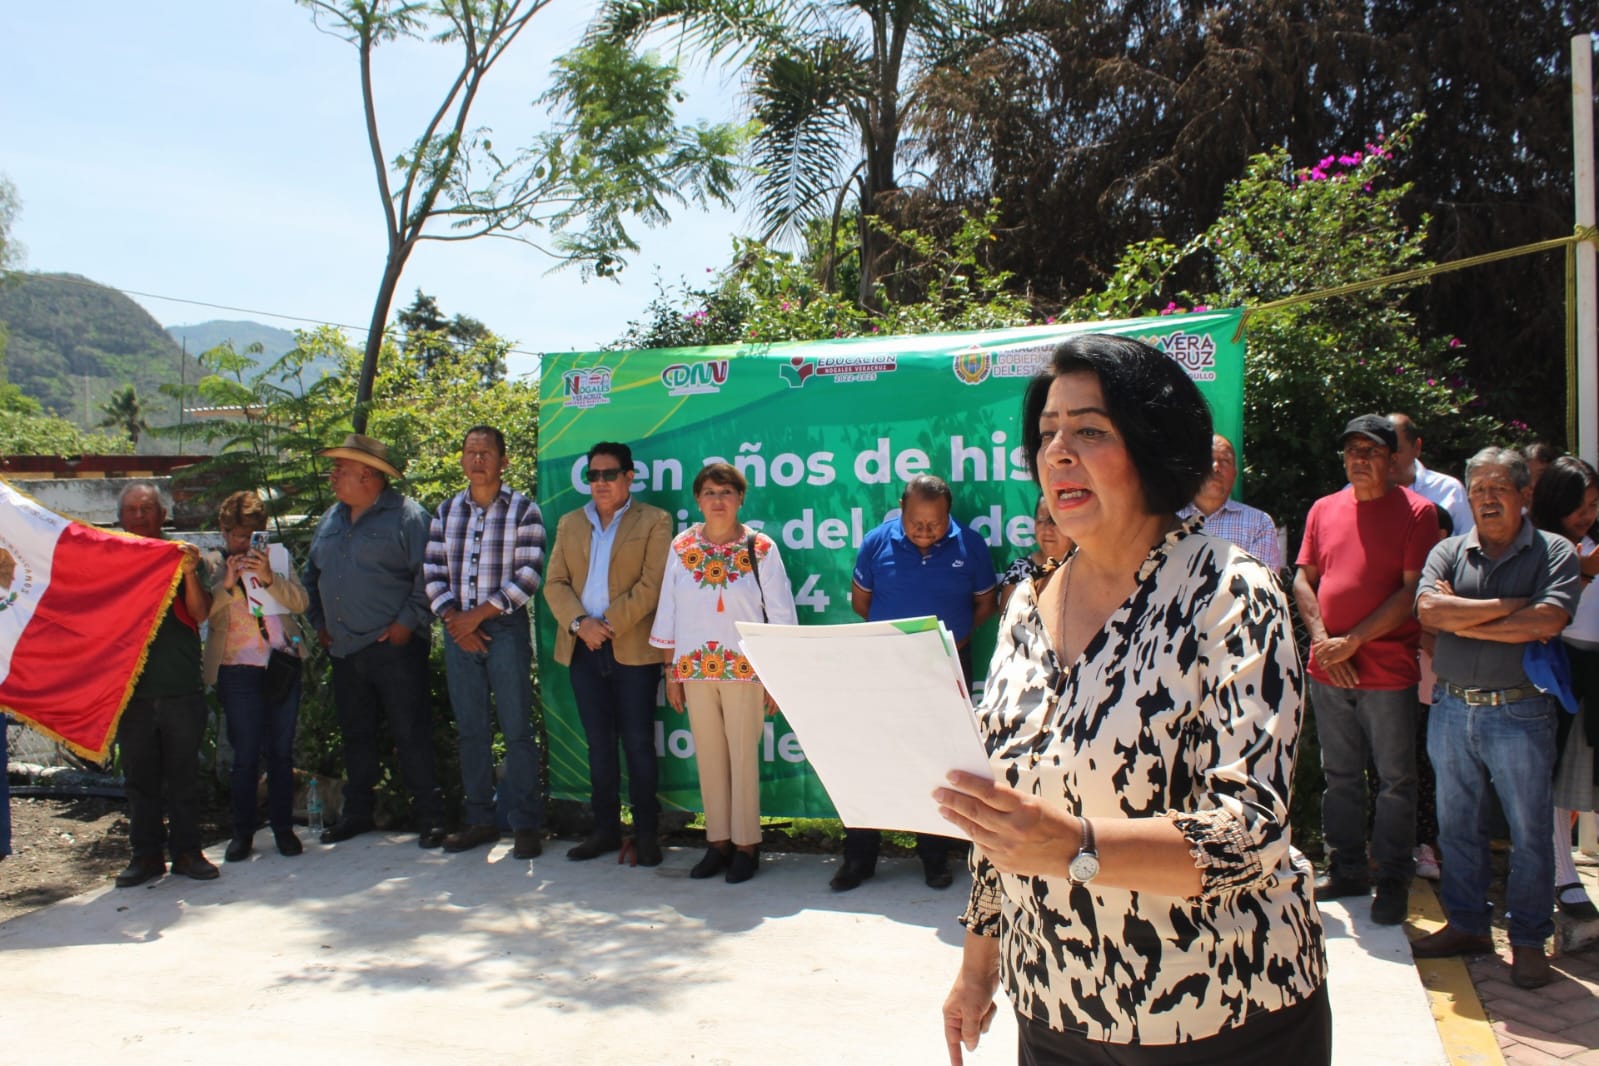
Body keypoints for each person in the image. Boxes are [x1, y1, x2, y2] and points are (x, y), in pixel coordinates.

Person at [937, 333, 1328, 1065]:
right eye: (1047, 433)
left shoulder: (1230, 592)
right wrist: (977, 968)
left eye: (1089, 431)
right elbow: (1003, 822)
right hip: (1053, 1004)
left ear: (1152, 445)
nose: (1057, 452)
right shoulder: (1024, 607)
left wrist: (1075, 847)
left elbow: (1250, 832)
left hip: (1219, 1007)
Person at [1413, 447, 1581, 990]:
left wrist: (1463, 619)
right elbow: (1428, 611)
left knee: (1530, 833)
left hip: (1521, 709)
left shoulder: (1554, 551)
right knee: (1457, 827)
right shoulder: (1448, 551)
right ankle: (1467, 925)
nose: (1486, 499)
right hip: (1451, 707)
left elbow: (1548, 619)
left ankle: (1528, 940)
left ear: (1524, 494)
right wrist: (1511, 607)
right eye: (1478, 489)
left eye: (1499, 488)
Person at [1292, 414, 1439, 925]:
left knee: (1395, 779)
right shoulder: (1323, 508)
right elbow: (1303, 579)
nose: (1359, 459)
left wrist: (1353, 641)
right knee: (1340, 774)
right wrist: (1323, 641)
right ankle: (1348, 868)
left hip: (1387, 668)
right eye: (1352, 450)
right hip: (1329, 666)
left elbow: (1412, 591)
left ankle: (1393, 878)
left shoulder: (1418, 512)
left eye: (1371, 451)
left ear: (1393, 459)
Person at [837, 474, 999, 891]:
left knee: (939, 760)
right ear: (901, 510)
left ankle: (934, 857)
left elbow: (986, 603)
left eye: (935, 523)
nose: (925, 531)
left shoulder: (971, 545)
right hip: (885, 665)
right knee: (872, 757)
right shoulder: (876, 543)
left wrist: (956, 638)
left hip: (945, 664)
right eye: (916, 523)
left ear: (949, 515)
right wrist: (898, 642)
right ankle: (859, 858)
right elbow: (861, 602)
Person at [649, 462, 798, 884]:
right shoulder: (682, 546)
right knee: (710, 758)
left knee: (743, 758)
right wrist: (671, 671)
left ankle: (747, 847)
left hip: (746, 671)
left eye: (726, 492)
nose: (718, 500)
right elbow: (669, 608)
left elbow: (781, 613)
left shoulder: (761, 547)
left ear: (740, 498)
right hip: (695, 669)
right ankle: (717, 843)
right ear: (698, 499)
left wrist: (777, 676)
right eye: (710, 493)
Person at [302, 434, 447, 848]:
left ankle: (431, 817)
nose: (333, 477)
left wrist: (406, 624)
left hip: (395, 648)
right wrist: (320, 623)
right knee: (356, 734)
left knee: (411, 732)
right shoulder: (331, 519)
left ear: (367, 476)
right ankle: (357, 813)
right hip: (344, 648)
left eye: (341, 470)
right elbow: (312, 575)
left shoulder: (408, 517)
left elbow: (431, 575)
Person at [543, 441, 672, 866]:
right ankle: (605, 831)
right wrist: (582, 624)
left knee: (638, 744)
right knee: (598, 745)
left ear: (628, 476)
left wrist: (607, 625)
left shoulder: (655, 520)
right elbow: (554, 583)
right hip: (583, 647)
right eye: (593, 475)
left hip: (631, 648)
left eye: (609, 474)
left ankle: (647, 834)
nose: (600, 482)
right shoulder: (569, 523)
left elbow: (652, 586)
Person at [424, 426, 548, 860]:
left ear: (503, 461)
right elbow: (432, 571)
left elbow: (528, 575)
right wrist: (455, 620)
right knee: (472, 731)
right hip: (458, 631)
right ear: (462, 459)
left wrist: (476, 617)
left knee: (517, 730)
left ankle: (526, 824)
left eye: (487, 452)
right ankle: (479, 820)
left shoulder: (524, 510)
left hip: (505, 629)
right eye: (471, 452)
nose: (478, 459)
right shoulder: (445, 512)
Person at [114, 483, 220, 886]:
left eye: (147, 508)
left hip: (180, 686)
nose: (140, 516)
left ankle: (188, 852)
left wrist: (189, 573)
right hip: (131, 692)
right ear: (121, 517)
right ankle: (145, 856)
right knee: (139, 780)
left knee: (184, 777)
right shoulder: (110, 559)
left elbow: (200, 613)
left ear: (163, 515)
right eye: (132, 509)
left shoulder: (183, 557)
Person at [204, 491, 310, 862]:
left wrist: (268, 578)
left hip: (280, 661)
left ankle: (283, 828)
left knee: (281, 752)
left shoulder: (276, 558)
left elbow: (300, 603)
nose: (243, 543)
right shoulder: (213, 563)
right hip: (237, 668)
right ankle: (242, 832)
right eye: (236, 536)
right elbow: (204, 613)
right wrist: (228, 582)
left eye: (251, 536)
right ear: (224, 532)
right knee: (246, 754)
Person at [1530, 456, 1599, 922]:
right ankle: (1562, 874)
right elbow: (1545, 614)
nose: (1587, 515)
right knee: (1554, 777)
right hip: (1560, 671)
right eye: (1579, 505)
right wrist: (1585, 571)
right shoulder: (1540, 547)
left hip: (1595, 669)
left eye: (1594, 505)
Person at [1178, 432, 1284, 569]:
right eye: (1208, 460)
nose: (1216, 467)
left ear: (1235, 474)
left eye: (1225, 461)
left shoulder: (1259, 523)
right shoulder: (1166, 518)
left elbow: (1260, 581)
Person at [1389, 412, 1474, 533]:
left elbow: (1468, 538)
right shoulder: (1363, 493)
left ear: (1417, 447)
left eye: (1397, 451)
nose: (1390, 458)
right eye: (1383, 451)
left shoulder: (1449, 489)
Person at [998, 493, 1071, 610]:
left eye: (1055, 522)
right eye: (1040, 521)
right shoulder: (1019, 569)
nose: (1047, 530)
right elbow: (1006, 618)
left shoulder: (1087, 569)